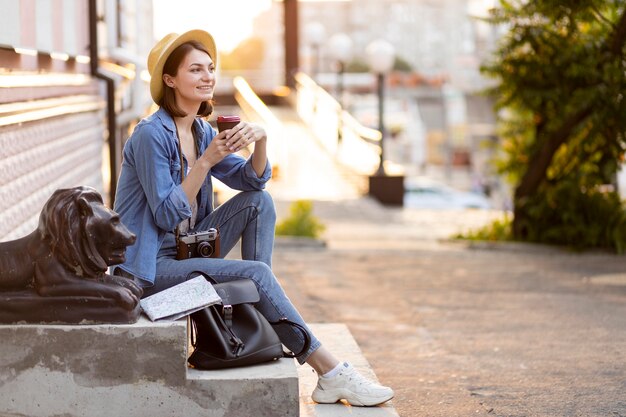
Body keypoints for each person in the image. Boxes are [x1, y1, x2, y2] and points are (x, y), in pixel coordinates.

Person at [113, 29, 394, 407]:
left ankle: (263, 320)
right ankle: (329, 372)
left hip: (185, 252)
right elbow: (165, 214)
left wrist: (260, 140)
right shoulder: (150, 134)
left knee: (259, 202)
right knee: (255, 273)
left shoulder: (199, 130)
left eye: (211, 68)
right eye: (195, 70)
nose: (208, 77)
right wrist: (207, 161)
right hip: (149, 275)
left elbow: (252, 179)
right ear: (170, 79)